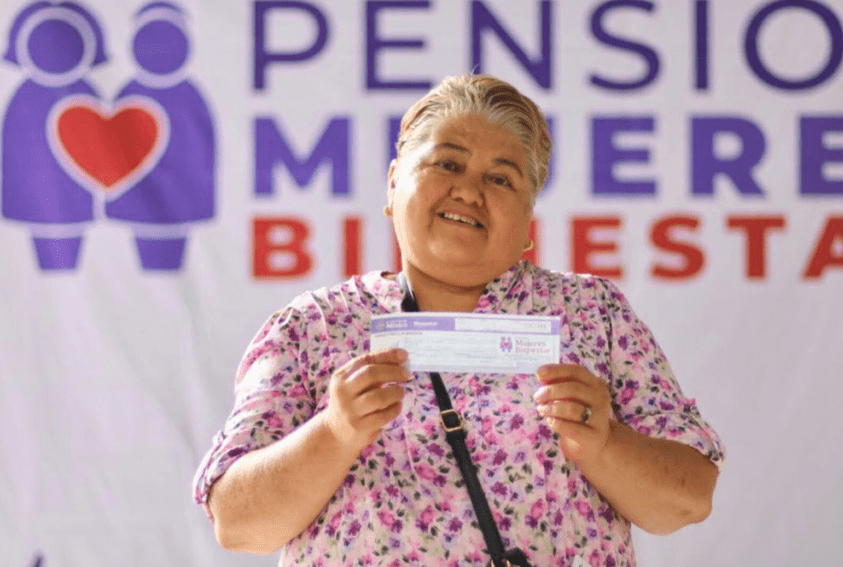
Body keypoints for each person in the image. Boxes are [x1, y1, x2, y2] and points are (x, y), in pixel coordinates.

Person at [193, 74, 725, 566]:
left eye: (501, 178)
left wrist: (607, 444)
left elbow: (686, 501)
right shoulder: (314, 326)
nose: (470, 191)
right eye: (447, 164)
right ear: (394, 183)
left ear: (526, 225)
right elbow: (240, 524)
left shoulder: (590, 314)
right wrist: (333, 433)